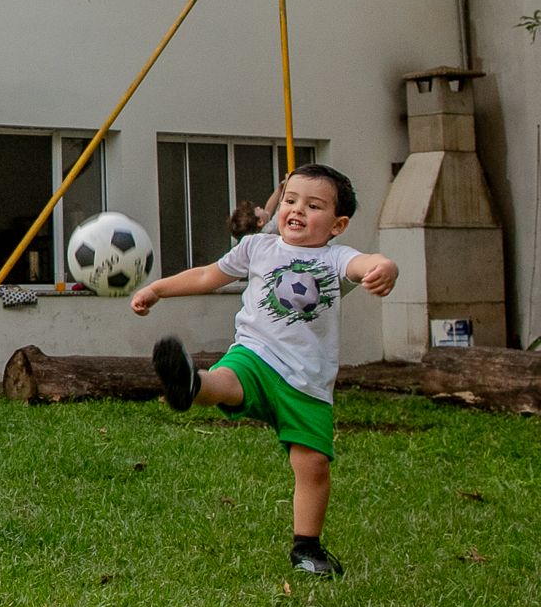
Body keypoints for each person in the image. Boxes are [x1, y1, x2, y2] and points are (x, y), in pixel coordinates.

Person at [133, 163, 398, 577]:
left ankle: (306, 548)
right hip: (256, 354)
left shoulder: (334, 258)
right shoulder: (258, 247)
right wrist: (157, 289)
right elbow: (207, 275)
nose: (296, 210)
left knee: (312, 466)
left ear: (338, 224)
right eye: (290, 200)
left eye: (313, 206)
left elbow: (367, 263)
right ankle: (190, 383)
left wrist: (386, 269)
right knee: (227, 382)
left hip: (307, 382)